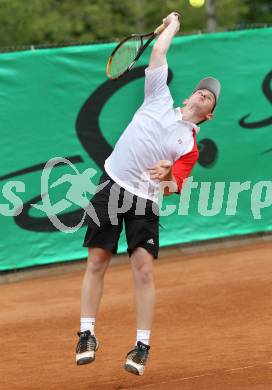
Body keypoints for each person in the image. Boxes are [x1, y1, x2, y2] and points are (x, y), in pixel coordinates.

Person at [75, 11, 221, 376]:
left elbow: (174, 187)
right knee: (97, 260)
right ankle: (86, 334)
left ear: (209, 115)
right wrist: (171, 27)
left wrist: (169, 173)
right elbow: (159, 54)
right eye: (202, 88)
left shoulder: (189, 146)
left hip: (145, 200)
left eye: (211, 97)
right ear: (190, 94)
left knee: (142, 269)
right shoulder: (158, 95)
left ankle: (141, 346)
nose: (205, 92)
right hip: (112, 183)